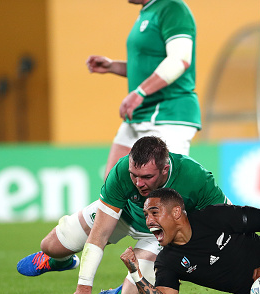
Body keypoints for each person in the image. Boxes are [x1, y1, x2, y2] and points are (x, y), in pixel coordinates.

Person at [17, 136, 229, 294]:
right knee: (50, 246)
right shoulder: (121, 172)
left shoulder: (196, 177)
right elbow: (99, 234)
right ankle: (62, 261)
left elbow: (229, 217)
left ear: (165, 169)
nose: (138, 183)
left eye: (146, 177)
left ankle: (117, 293)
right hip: (123, 215)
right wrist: (84, 287)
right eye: (134, 176)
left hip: (158, 234)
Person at [86, 0, 200, 178]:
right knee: (112, 189)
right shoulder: (147, 12)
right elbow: (148, 67)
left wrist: (140, 92)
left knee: (164, 195)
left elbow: (180, 60)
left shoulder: (173, 8)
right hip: (140, 115)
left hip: (168, 113)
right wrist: (112, 66)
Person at [120, 188, 260, 294]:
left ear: (176, 212)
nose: (148, 221)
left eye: (154, 213)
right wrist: (135, 273)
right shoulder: (167, 260)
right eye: (146, 215)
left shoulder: (216, 217)